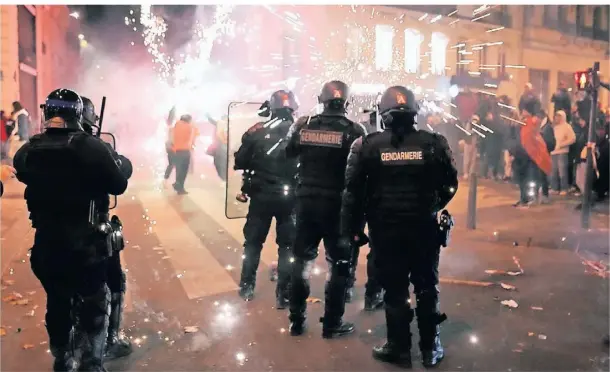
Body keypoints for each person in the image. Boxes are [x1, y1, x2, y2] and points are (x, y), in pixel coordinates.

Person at [13, 89, 131, 371]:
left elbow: (24, 172)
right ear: (78, 113)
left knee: (56, 300)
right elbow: (119, 184)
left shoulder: (29, 149)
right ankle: (93, 361)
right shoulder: (92, 147)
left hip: (47, 245)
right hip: (85, 247)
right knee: (96, 301)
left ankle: (62, 358)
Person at [341, 86, 458, 367]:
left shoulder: (366, 146)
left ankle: (399, 348)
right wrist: (431, 205)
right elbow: (450, 184)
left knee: (395, 290)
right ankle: (431, 348)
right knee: (427, 287)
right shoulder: (435, 142)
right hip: (424, 229)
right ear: (415, 113)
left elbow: (352, 192)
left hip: (386, 230)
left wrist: (353, 228)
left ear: (383, 114)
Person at [286, 80, 367, 338]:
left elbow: (289, 153)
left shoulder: (303, 125)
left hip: (307, 202)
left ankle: (296, 320)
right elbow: (361, 172)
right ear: (347, 102)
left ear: (321, 99)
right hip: (337, 207)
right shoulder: (355, 130)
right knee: (339, 265)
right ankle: (332, 323)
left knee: (301, 262)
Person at [234, 90, 299, 309]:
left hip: (261, 196)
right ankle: (284, 293)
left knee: (253, 243)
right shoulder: (300, 130)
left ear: (271, 108)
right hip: (290, 197)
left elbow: (240, 160)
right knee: (287, 246)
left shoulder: (257, 131)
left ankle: (246, 286)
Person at [81, 96, 134, 360]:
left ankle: (63, 355)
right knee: (112, 282)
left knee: (58, 293)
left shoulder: (36, 151)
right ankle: (107, 342)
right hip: (92, 233)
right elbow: (120, 178)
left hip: (51, 234)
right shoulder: (96, 148)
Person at [513, 101, 552, 208]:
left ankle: (529, 199)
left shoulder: (531, 123)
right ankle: (523, 198)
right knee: (523, 180)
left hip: (529, 156)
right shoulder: (523, 123)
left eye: (524, 110)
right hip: (521, 155)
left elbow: (530, 139)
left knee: (530, 179)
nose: (522, 112)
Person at [169, 114, 199, 194]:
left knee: (179, 169)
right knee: (184, 170)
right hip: (185, 150)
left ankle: (178, 185)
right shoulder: (189, 127)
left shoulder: (176, 125)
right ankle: (179, 186)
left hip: (176, 150)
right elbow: (194, 135)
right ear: (188, 120)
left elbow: (172, 137)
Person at [550, 110, 576, 195]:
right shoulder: (554, 127)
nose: (557, 118)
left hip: (562, 152)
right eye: (556, 116)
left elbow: (572, 138)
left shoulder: (567, 127)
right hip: (553, 152)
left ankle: (564, 188)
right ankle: (555, 188)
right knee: (554, 171)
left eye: (559, 116)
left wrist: (562, 144)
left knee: (562, 171)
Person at [538, 111, 556, 203]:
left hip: (544, 154)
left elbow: (550, 143)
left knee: (543, 175)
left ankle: (545, 195)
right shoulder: (544, 126)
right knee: (541, 175)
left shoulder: (547, 127)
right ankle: (542, 195)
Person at [164, 107, 177, 183]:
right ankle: (166, 179)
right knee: (172, 164)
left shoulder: (170, 124)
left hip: (170, 146)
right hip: (171, 146)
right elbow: (171, 137)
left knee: (172, 164)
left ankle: (167, 179)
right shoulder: (172, 125)